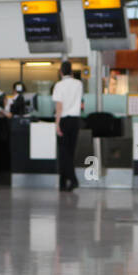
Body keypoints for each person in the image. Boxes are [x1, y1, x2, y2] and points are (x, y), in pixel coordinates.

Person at [52, 61, 84, 191]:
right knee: (70, 152)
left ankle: (73, 179)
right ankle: (63, 183)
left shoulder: (59, 85)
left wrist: (57, 123)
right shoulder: (79, 84)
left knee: (63, 152)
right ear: (71, 72)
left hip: (64, 120)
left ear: (60, 72)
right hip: (75, 120)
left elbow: (59, 107)